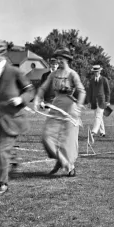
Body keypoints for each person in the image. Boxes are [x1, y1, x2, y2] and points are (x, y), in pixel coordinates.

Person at [0, 40, 35, 195]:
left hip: (12, 118)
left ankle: (2, 183)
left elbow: (30, 91)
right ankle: (12, 159)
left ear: (2, 55)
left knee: (1, 150)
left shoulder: (14, 72)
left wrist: (20, 99)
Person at [34, 47, 86, 176]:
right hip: (56, 106)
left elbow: (82, 91)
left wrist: (78, 107)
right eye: (57, 59)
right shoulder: (53, 74)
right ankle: (62, 161)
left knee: (67, 141)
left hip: (70, 109)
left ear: (67, 60)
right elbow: (43, 88)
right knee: (47, 136)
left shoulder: (73, 74)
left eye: (61, 59)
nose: (59, 61)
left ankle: (69, 166)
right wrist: (37, 98)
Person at [87, 65, 110, 139]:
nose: (96, 73)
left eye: (97, 71)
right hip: (94, 101)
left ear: (100, 71)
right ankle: (102, 132)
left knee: (98, 116)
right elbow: (90, 92)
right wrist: (89, 102)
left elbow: (107, 91)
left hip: (102, 101)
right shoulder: (92, 80)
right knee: (98, 116)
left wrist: (107, 101)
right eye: (94, 72)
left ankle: (93, 131)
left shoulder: (104, 79)